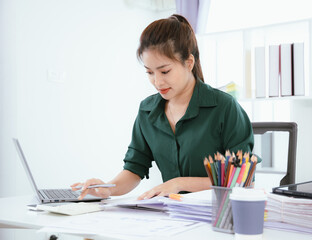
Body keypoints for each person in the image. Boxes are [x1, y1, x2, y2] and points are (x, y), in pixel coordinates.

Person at [71, 14, 254, 200]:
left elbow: (242, 179)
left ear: (189, 63)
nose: (157, 82)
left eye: (165, 71)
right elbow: (134, 169)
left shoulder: (224, 107)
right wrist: (108, 188)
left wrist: (179, 183)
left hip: (218, 215)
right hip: (172, 216)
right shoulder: (147, 111)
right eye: (150, 72)